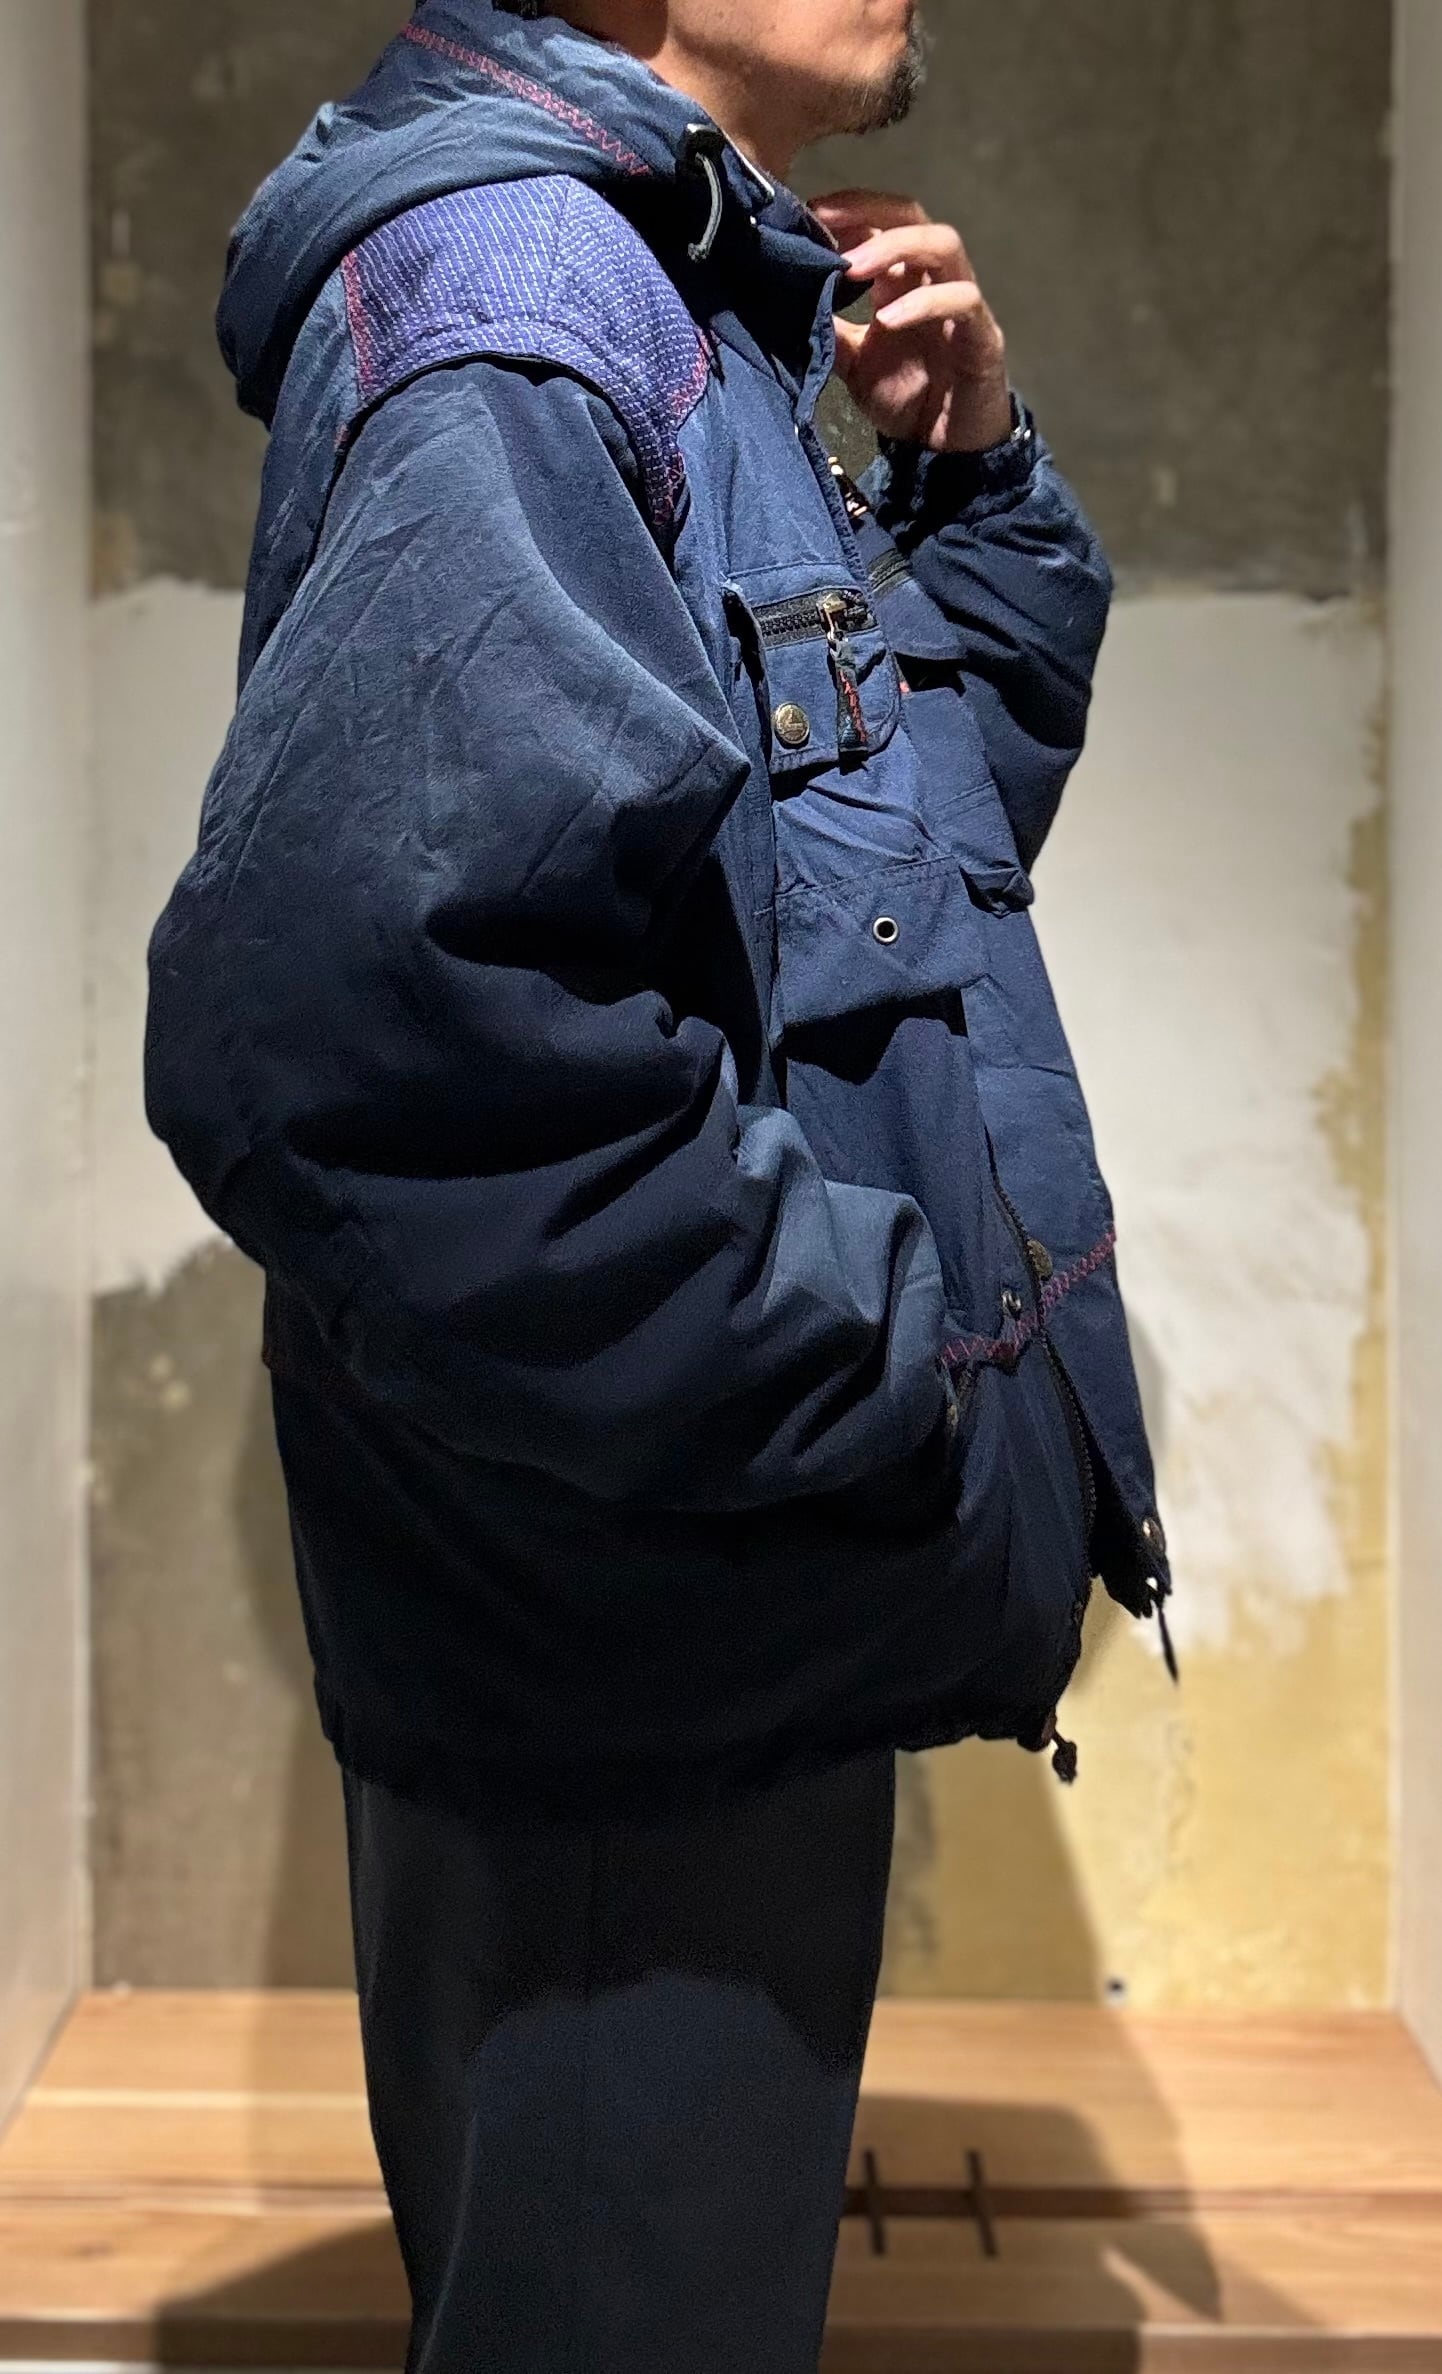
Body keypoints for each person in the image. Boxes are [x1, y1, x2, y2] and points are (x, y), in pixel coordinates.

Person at [145, 0, 1174, 2363]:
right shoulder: (529, 307)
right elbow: (369, 1047)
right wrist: (878, 1363)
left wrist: (970, 484)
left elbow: (882, 880)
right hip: (645, 1646)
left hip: (689, 1609)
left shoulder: (659, 292)